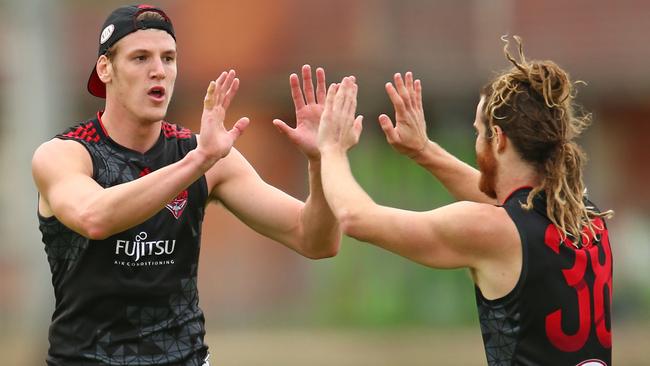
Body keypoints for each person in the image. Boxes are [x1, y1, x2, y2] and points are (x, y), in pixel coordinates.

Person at [31, 5, 340, 366]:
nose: (158, 71)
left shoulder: (204, 155)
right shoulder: (65, 154)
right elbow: (94, 217)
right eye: (140, 58)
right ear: (105, 69)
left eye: (169, 58)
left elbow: (316, 240)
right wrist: (198, 161)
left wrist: (322, 163)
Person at [317, 36, 614, 365]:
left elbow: (355, 219)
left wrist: (330, 149)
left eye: (478, 132)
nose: (476, 142)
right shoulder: (585, 214)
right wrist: (423, 150)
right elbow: (510, 207)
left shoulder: (494, 231)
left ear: (498, 139)